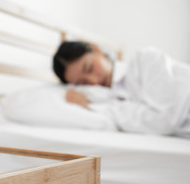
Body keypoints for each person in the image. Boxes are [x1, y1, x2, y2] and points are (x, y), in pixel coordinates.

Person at [53, 41, 190, 138]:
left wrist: (97, 106)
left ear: (97, 50)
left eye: (89, 68)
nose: (93, 81)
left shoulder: (144, 60)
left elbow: (164, 121)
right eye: (83, 83)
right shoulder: (109, 99)